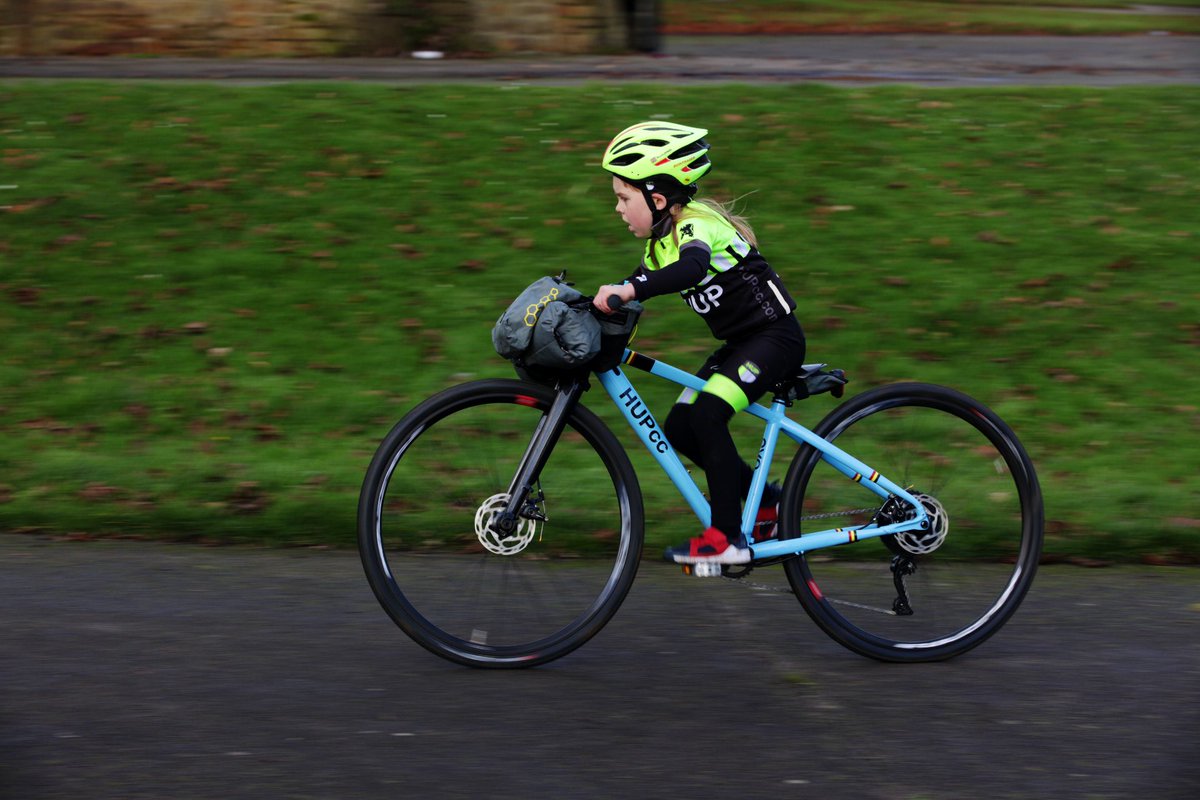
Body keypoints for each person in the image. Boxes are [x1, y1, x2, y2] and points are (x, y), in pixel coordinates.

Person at [593, 121, 806, 565]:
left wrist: (630, 291)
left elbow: (690, 270)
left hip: (774, 339)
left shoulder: (695, 225)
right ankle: (765, 502)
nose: (618, 208)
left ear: (657, 198)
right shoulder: (657, 247)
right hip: (740, 346)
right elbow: (639, 279)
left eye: (623, 198)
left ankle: (726, 540)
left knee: (709, 415)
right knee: (680, 426)